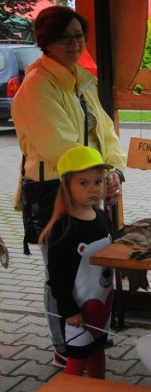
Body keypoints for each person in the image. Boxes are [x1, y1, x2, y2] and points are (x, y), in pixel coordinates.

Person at [11, 6, 126, 369]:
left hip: (87, 185)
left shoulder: (81, 81)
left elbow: (106, 132)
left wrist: (115, 173)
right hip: (52, 191)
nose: (76, 43)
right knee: (59, 272)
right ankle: (63, 343)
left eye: (80, 36)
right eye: (66, 37)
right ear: (45, 42)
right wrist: (100, 175)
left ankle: (89, 332)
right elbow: (59, 145)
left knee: (88, 268)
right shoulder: (37, 86)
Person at [40, 146, 115, 379]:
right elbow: (57, 278)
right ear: (66, 186)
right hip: (78, 311)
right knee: (78, 357)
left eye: (98, 182)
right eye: (84, 183)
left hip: (102, 304)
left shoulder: (102, 217)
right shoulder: (63, 229)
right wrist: (70, 311)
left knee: (98, 349)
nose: (94, 189)